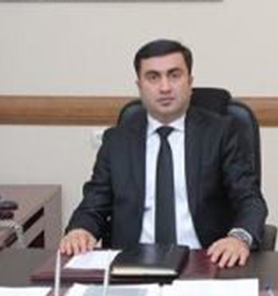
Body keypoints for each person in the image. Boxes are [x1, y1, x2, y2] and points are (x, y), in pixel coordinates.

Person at [60, 39, 267, 268]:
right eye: (153, 77)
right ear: (139, 86)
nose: (165, 87)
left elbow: (250, 200)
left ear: (190, 82)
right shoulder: (116, 141)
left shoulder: (221, 133)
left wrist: (239, 238)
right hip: (132, 265)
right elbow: (93, 204)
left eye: (174, 75)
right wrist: (80, 230)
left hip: (206, 262)